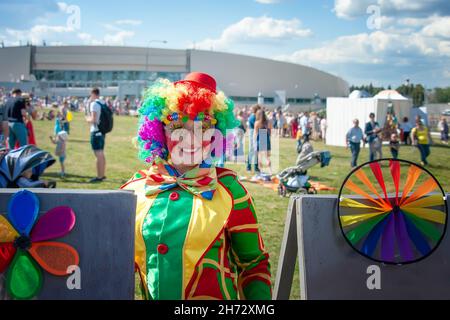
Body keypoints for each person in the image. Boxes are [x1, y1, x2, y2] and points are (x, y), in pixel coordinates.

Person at [120, 72, 271, 300]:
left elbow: (254, 266)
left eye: (203, 127)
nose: (189, 138)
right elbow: (114, 266)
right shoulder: (134, 192)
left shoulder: (232, 193)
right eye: (177, 125)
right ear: (160, 131)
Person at [85, 88, 106, 183]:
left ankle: (99, 176)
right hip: (102, 131)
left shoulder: (94, 104)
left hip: (96, 131)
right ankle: (102, 174)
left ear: (93, 94)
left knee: (98, 154)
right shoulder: (102, 102)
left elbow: (93, 119)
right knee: (101, 154)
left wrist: (87, 119)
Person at [254, 109, 272, 175]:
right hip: (266, 137)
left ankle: (261, 171)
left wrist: (254, 142)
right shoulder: (268, 122)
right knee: (267, 157)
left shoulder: (257, 122)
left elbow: (255, 133)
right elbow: (270, 130)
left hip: (260, 138)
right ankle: (270, 171)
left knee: (260, 157)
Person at [246, 104, 261, 173]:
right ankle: (249, 167)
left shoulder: (255, 116)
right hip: (253, 133)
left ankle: (255, 167)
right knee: (252, 151)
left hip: (255, 132)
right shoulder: (253, 117)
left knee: (255, 151)